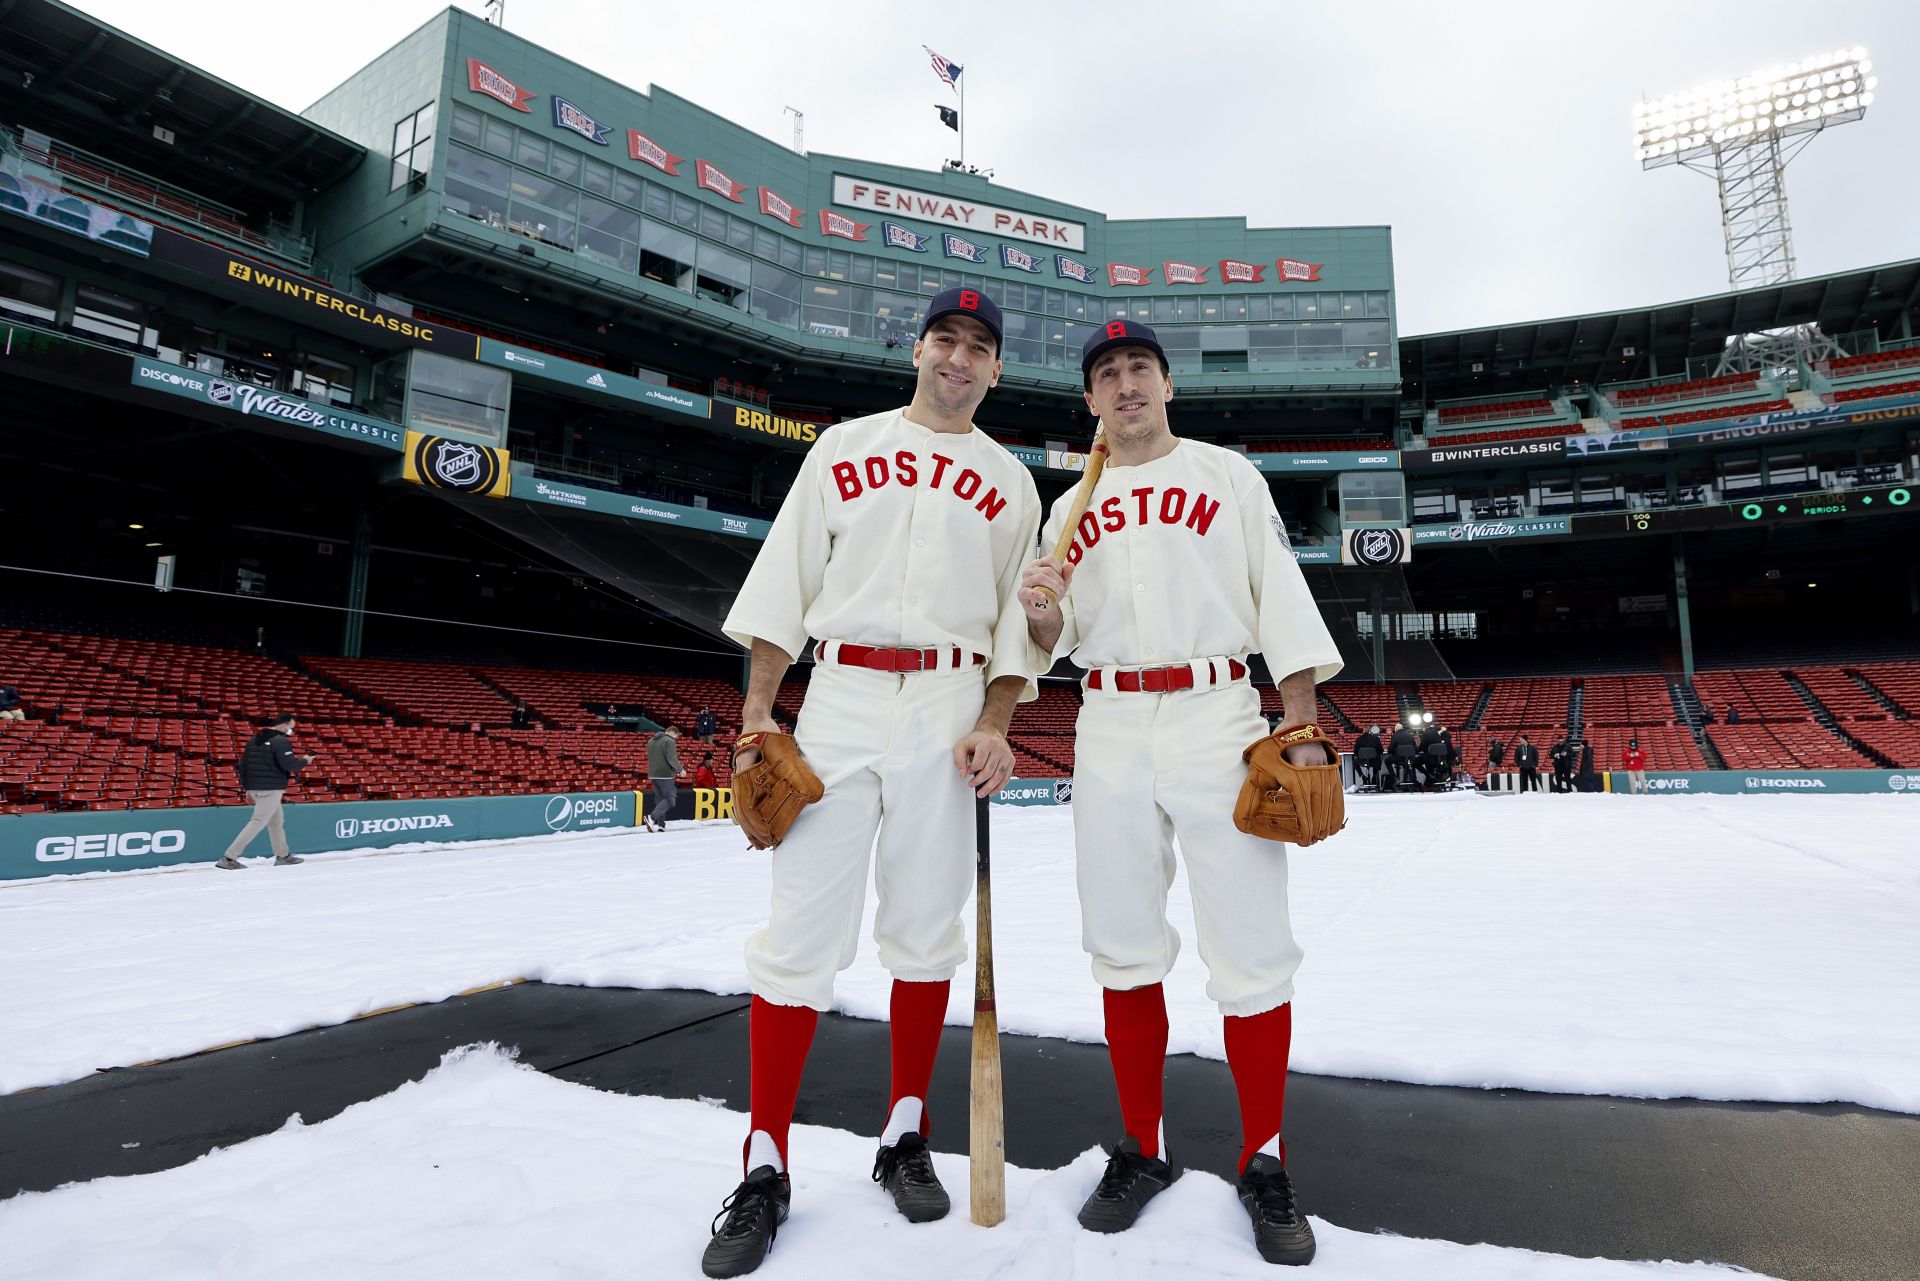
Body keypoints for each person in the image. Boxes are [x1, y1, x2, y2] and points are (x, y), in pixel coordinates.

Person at [700, 286, 1041, 1278]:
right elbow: (783, 586)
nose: (959, 358)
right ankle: (765, 1164)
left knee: (927, 929)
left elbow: (1017, 634)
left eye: (979, 346)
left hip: (947, 708)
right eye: (945, 339)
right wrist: (762, 712)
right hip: (841, 694)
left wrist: (993, 724)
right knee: (799, 934)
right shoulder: (842, 447)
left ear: (995, 369)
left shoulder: (1011, 482)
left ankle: (904, 1133)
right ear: (918, 350)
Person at [1020, 320, 1341, 1266]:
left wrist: (1301, 720)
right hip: (1110, 718)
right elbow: (1051, 640)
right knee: (1120, 940)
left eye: (1139, 370)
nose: (1125, 386)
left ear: (1167, 385)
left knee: (1251, 945)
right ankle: (1143, 1147)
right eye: (1107, 375)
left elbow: (1276, 590)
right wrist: (1041, 606)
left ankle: (1264, 1157)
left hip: (1216, 709)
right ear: (1090, 400)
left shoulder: (1226, 475)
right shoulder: (1069, 506)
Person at [216, 714, 314, 869]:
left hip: (257, 787)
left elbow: (243, 767)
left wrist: (248, 789)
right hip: (270, 788)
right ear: (283, 726)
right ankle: (229, 857)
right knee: (257, 822)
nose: (291, 731)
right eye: (291, 728)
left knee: (276, 822)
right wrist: (305, 761)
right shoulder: (281, 741)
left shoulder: (253, 740)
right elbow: (289, 765)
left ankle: (283, 856)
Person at [645, 724, 682, 832]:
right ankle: (651, 817)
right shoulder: (669, 741)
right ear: (673, 733)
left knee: (660, 800)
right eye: (676, 736)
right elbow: (671, 759)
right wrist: (681, 770)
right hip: (665, 774)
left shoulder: (651, 741)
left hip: (653, 774)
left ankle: (661, 825)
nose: (675, 739)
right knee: (670, 800)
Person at [1387, 720, 1418, 791]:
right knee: (1408, 763)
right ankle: (1412, 781)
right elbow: (1415, 749)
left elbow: (1390, 750)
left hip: (1399, 759)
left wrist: (1394, 751)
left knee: (1387, 761)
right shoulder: (1410, 735)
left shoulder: (1395, 735)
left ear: (1396, 729)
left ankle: (1395, 779)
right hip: (1410, 758)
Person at [1352, 724, 1383, 789]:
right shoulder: (1376, 739)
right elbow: (1381, 750)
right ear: (1370, 731)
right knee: (1378, 759)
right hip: (1374, 762)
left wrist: (1362, 756)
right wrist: (1375, 754)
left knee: (1354, 762)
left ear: (1363, 731)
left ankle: (1363, 776)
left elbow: (1355, 753)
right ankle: (1374, 776)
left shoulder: (1358, 739)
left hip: (1362, 762)